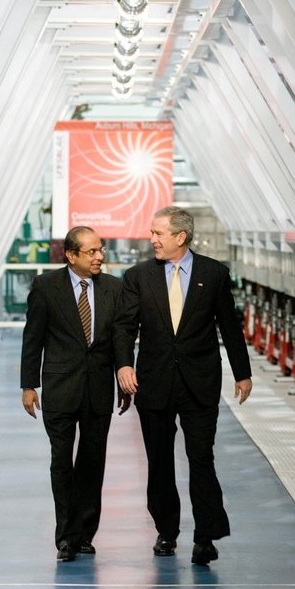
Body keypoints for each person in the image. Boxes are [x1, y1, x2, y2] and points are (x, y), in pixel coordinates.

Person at [114, 206, 252, 566]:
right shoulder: (138, 276)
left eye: (158, 233)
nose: (152, 239)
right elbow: (125, 327)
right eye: (152, 233)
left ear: (181, 236)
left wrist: (242, 372)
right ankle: (166, 531)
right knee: (159, 463)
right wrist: (124, 364)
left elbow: (229, 326)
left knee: (201, 459)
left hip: (199, 383)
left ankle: (205, 537)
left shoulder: (214, 273)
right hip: (154, 382)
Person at [21, 226, 130, 562]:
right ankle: (66, 537)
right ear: (71, 255)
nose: (100, 257)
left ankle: (85, 533)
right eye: (92, 252)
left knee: (92, 463)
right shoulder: (46, 286)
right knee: (61, 462)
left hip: (99, 390)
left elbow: (120, 339)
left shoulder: (114, 287)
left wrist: (123, 376)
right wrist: (29, 385)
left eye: (101, 250)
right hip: (60, 389)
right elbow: (33, 337)